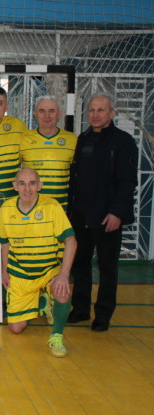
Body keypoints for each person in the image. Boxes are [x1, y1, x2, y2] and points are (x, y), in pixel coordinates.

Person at [67, 95, 138, 332]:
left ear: (112, 113)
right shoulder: (83, 139)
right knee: (80, 263)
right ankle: (80, 310)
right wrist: (71, 210)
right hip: (81, 214)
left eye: (101, 110)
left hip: (108, 217)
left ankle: (103, 315)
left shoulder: (123, 141)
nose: (95, 115)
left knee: (107, 268)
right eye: (92, 110)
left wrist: (116, 213)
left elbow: (127, 182)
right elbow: (76, 179)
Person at [0, 168, 77, 357]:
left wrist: (64, 275)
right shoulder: (6, 208)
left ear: (40, 186)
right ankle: (42, 301)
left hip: (48, 270)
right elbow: (4, 243)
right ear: (15, 186)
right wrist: (4, 271)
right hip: (20, 273)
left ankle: (56, 336)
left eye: (32, 183)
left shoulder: (52, 207)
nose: (27, 189)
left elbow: (71, 241)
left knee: (62, 290)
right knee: (16, 328)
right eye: (22, 183)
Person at [21, 96, 77, 210]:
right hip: (31, 209)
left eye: (51, 111)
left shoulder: (72, 140)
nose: (47, 116)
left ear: (59, 114)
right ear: (35, 114)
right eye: (42, 111)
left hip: (61, 209)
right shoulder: (23, 139)